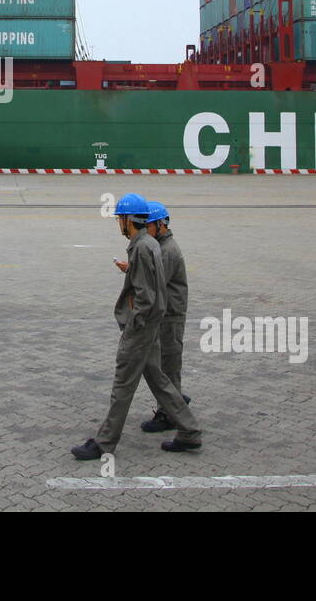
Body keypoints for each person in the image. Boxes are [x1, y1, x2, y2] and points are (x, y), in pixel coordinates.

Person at [71, 193, 202, 459]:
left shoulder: (143, 247)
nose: (118, 222)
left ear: (127, 220)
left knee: (123, 385)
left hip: (141, 329)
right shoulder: (150, 244)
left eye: (119, 218)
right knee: (158, 380)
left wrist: (134, 325)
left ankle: (104, 442)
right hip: (151, 326)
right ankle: (189, 431)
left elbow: (146, 296)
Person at [139, 200, 194, 435]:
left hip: (170, 317)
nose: (144, 230)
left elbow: (154, 282)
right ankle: (176, 399)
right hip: (167, 314)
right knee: (166, 364)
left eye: (148, 225)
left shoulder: (167, 251)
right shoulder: (160, 247)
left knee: (168, 366)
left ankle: (169, 414)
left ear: (161, 224)